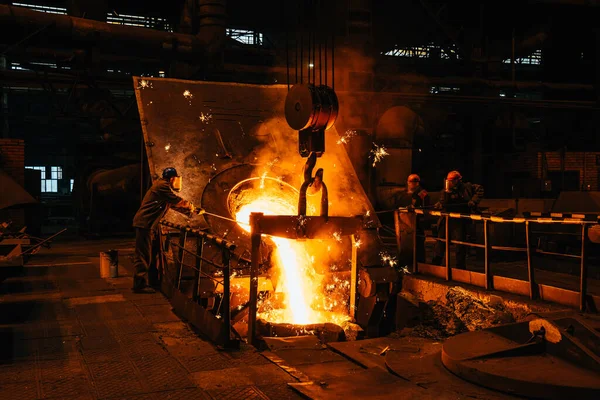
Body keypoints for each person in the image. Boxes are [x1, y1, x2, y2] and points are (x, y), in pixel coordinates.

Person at [132, 167, 199, 293]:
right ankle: (139, 284)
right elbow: (176, 200)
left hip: (150, 224)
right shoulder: (162, 186)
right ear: (172, 178)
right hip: (145, 224)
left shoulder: (162, 187)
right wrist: (190, 205)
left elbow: (172, 204)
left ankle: (152, 281)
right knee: (143, 255)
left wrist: (194, 211)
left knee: (152, 252)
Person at [431, 170, 484, 269]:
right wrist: (439, 204)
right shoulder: (445, 192)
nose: (450, 183)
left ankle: (460, 267)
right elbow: (443, 202)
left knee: (460, 243)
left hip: (460, 220)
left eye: (452, 181)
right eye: (448, 181)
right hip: (446, 219)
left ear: (458, 180)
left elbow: (480, 189)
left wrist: (473, 201)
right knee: (441, 241)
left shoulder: (466, 187)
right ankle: (436, 264)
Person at [406, 174, 430, 263]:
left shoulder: (422, 193)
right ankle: (414, 260)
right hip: (412, 220)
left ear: (415, 183)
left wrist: (415, 208)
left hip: (419, 221)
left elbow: (425, 206)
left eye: (410, 182)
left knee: (419, 242)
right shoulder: (411, 192)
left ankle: (420, 262)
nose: (408, 184)